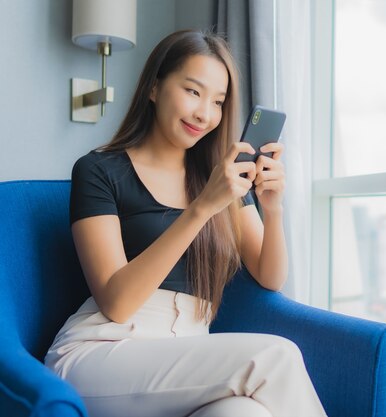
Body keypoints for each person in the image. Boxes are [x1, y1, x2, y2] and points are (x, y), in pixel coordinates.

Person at [44, 29, 327, 417]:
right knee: (276, 356)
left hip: (186, 360)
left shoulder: (221, 179)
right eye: (193, 91)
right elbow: (118, 302)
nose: (205, 114)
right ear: (155, 87)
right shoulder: (99, 170)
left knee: (246, 413)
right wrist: (201, 209)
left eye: (218, 102)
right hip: (103, 352)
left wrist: (272, 208)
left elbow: (270, 276)